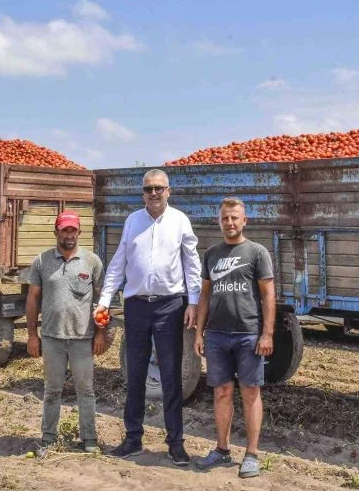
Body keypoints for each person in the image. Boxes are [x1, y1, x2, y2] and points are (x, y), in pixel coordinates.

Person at [93, 169, 201, 466]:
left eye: (158, 188)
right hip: (137, 306)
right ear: (143, 193)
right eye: (148, 189)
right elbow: (118, 263)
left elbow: (192, 264)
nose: (153, 193)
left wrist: (192, 302)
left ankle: (175, 443)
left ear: (169, 191)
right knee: (136, 373)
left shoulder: (180, 221)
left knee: (170, 376)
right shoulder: (133, 221)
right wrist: (104, 300)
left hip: (170, 307)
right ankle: (133, 438)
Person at [193, 197, 275, 478]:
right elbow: (205, 294)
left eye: (234, 218)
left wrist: (267, 333)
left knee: (250, 392)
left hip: (248, 335)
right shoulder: (212, 254)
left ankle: (251, 454)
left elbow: (267, 296)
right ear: (220, 221)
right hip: (216, 335)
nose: (229, 223)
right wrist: (199, 332)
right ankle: (221, 449)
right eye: (225, 218)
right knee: (221, 392)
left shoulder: (257, 252)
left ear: (244, 220)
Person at [26, 210, 106, 456]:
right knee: (52, 390)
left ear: (79, 232)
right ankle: (49, 437)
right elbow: (33, 298)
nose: (69, 235)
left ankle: (89, 438)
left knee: (86, 390)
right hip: (52, 338)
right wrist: (32, 335)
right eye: (65, 230)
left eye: (73, 230)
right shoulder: (42, 261)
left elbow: (102, 300)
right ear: (56, 232)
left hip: (82, 338)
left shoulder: (92, 261)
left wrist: (101, 334)